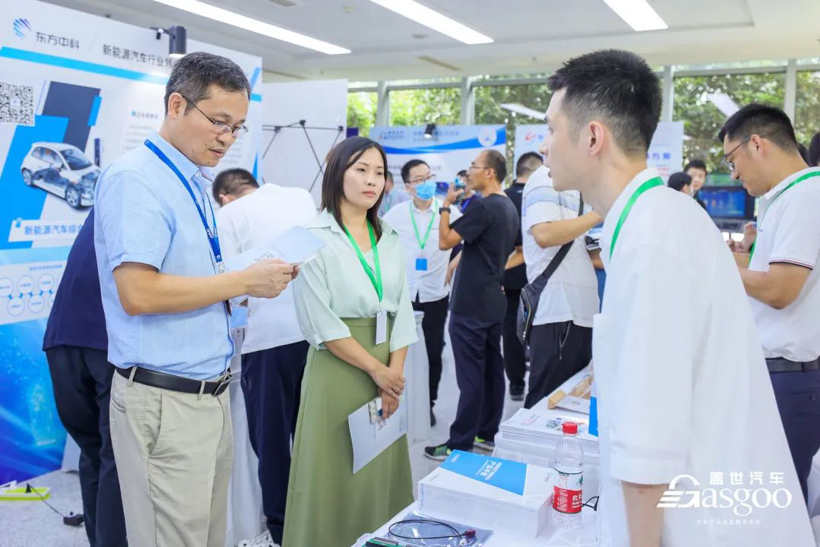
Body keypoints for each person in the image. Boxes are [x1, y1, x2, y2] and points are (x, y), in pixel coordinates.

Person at [543, 49, 811, 546]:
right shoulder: (665, 216)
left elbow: (648, 451)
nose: (544, 145)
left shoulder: (651, 241)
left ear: (593, 137)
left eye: (552, 129)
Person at [94, 52, 297, 547]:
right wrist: (244, 282)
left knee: (205, 536)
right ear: (177, 105)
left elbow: (193, 275)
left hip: (210, 393)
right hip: (165, 400)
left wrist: (248, 275)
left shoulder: (192, 181)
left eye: (238, 128)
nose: (227, 138)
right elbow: (138, 292)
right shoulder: (136, 179)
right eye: (219, 122)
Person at [284, 137, 417, 546]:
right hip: (339, 368)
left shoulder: (390, 236)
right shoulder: (309, 237)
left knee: (379, 466)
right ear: (337, 172)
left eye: (379, 173)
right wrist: (378, 370)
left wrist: (393, 373)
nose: (372, 181)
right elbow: (320, 321)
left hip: (386, 365)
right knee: (333, 470)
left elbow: (403, 311)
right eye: (361, 169)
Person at [721, 104, 820, 503]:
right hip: (782, 375)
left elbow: (780, 289)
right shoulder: (788, 198)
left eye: (733, 160)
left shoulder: (804, 197)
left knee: (775, 504)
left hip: (790, 377)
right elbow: (769, 269)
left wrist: (713, 268)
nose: (734, 173)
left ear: (756, 144)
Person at [213, 168, 317, 547]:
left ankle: (281, 531)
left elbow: (229, 288)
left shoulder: (228, 216)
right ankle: (316, 516)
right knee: (310, 433)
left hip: (266, 342)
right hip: (315, 334)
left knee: (271, 442)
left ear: (224, 195)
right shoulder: (299, 196)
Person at [424, 149, 519, 460]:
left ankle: (459, 442)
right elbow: (502, 249)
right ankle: (486, 433)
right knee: (492, 371)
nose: (468, 173)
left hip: (470, 304)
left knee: (470, 377)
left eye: (474, 167)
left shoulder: (483, 207)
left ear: (489, 172)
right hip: (493, 300)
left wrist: (446, 206)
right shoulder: (507, 207)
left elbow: (445, 241)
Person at [42, 210, 127, 547]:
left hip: (61, 341)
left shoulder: (102, 210)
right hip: (105, 344)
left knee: (94, 453)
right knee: (115, 459)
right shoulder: (144, 209)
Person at [519, 152, 601, 409]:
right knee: (546, 402)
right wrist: (600, 212)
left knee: (571, 400)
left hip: (583, 313)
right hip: (558, 310)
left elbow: (588, 252)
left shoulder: (584, 188)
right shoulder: (545, 178)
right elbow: (544, 233)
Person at [385, 159, 462, 427]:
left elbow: (468, 241)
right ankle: (399, 402)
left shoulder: (448, 211)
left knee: (432, 351)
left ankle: (428, 404)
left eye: (428, 177)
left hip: (435, 293)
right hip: (403, 294)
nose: (426, 183)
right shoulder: (395, 215)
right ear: (408, 187)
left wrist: (454, 262)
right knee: (398, 352)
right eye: (419, 180)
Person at [501, 151, 543, 401]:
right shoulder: (538, 198)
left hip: (509, 278)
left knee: (511, 330)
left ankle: (515, 384)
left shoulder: (503, 198)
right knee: (539, 329)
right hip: (538, 277)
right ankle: (537, 382)